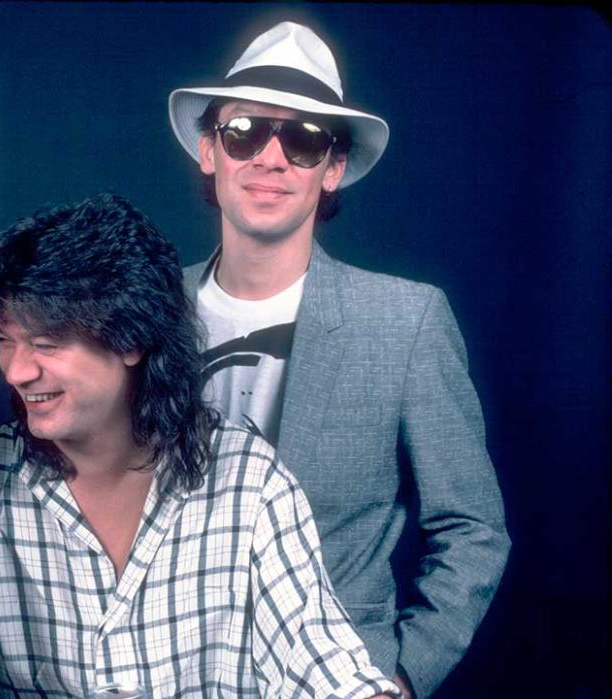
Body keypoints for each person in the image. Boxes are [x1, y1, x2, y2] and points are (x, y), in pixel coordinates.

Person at [167, 21, 510, 698]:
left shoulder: (405, 322)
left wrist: (403, 677)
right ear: (208, 150)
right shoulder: (146, 310)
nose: (270, 157)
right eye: (245, 132)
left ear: (334, 168)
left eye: (302, 140)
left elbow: (473, 528)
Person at [0, 193, 399, 698]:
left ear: (131, 340)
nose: (17, 370)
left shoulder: (247, 481)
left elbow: (326, 666)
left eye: (46, 343)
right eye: (4, 340)